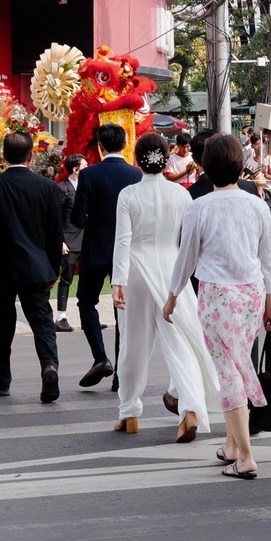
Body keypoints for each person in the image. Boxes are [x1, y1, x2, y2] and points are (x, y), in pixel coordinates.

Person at [166, 133, 271, 480]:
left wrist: (172, 295)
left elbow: (186, 258)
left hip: (217, 295)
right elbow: (267, 260)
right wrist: (270, 304)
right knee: (238, 362)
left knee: (228, 371)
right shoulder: (257, 203)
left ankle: (244, 456)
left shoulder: (198, 207)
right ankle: (232, 446)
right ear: (241, 165)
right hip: (252, 294)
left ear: (203, 166)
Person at [110, 134, 217, 441]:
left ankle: (129, 412)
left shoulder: (128, 195)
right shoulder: (182, 195)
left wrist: (118, 281)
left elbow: (123, 240)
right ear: (167, 157)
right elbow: (187, 244)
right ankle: (190, 409)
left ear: (136, 159)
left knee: (133, 343)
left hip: (137, 272)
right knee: (179, 341)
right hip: (173, 272)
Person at [0, 130, 64, 403]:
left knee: (1, 324)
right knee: (42, 322)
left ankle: (1, 379)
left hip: (2, 269)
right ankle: (49, 366)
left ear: (4, 156)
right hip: (37, 267)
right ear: (32, 155)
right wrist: (53, 268)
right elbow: (54, 233)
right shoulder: (48, 187)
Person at [70, 123, 141, 385]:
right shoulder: (136, 175)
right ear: (125, 144)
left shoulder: (89, 176)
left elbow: (77, 219)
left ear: (100, 146)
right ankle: (121, 371)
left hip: (96, 249)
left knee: (86, 302)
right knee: (123, 308)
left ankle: (100, 357)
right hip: (128, 251)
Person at [55, 154, 86, 331]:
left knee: (87, 279)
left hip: (85, 240)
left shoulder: (85, 187)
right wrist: (60, 241)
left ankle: (87, 316)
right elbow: (55, 217)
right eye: (85, 166)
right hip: (68, 240)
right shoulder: (62, 189)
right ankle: (61, 317)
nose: (88, 169)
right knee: (66, 279)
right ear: (75, 169)